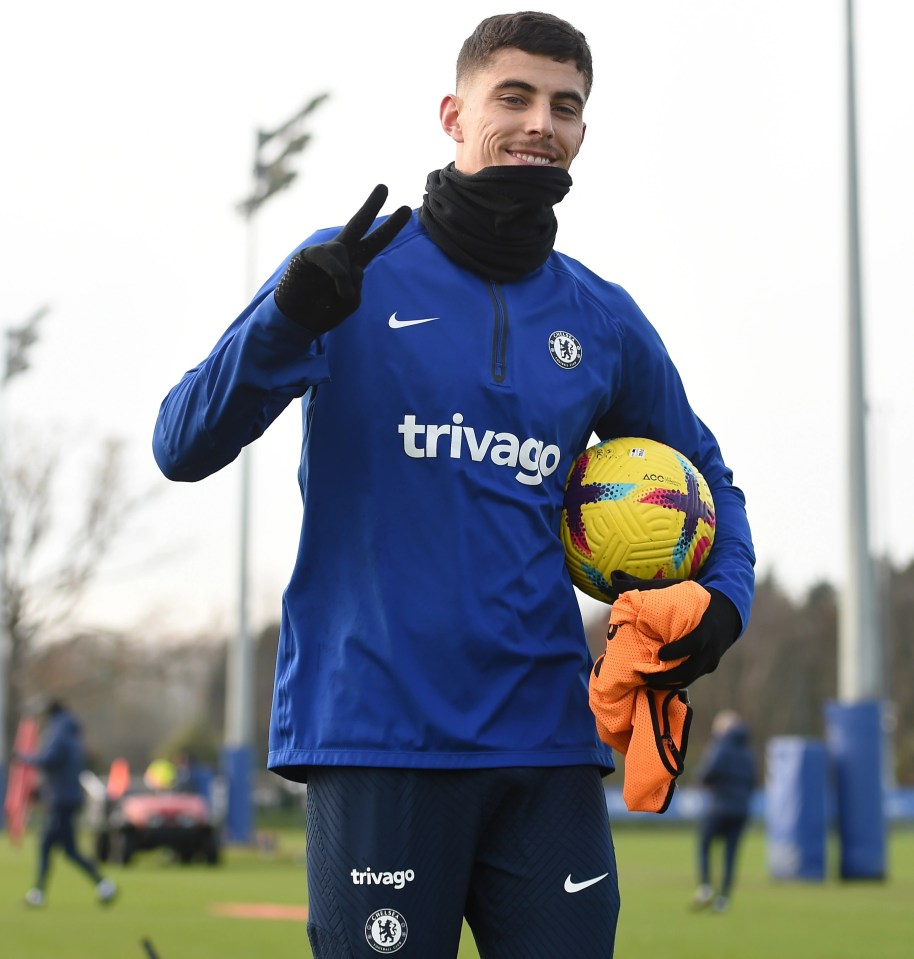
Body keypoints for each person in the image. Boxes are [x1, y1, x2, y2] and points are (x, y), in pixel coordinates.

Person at [153, 11, 755, 957]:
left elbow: (707, 488)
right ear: (453, 112)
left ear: (582, 134)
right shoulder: (348, 269)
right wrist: (285, 318)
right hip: (378, 735)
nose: (538, 122)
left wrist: (722, 603)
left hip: (547, 745)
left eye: (565, 105)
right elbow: (181, 441)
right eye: (512, 96)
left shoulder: (603, 319)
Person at [15, 699, 117, 908]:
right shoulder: (69, 731)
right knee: (66, 849)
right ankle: (103, 885)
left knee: (50, 846)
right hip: (66, 797)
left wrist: (25, 758)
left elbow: (50, 759)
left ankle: (39, 893)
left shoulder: (58, 732)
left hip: (60, 799)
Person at [692, 710, 757, 913]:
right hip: (741, 810)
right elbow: (752, 782)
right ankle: (723, 899)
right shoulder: (749, 753)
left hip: (719, 807)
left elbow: (706, 773)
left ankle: (705, 887)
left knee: (704, 843)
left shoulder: (720, 748)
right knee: (731, 854)